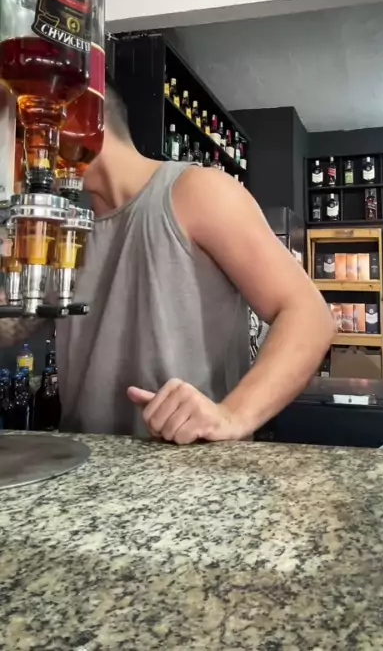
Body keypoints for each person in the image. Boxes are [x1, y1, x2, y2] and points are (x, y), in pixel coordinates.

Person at [0, 83, 334, 442]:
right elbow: (11, 325)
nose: (12, 150)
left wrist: (233, 415)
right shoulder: (61, 231)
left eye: (18, 129)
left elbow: (309, 316)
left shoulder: (199, 192)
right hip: (88, 463)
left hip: (191, 465)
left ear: (79, 119)